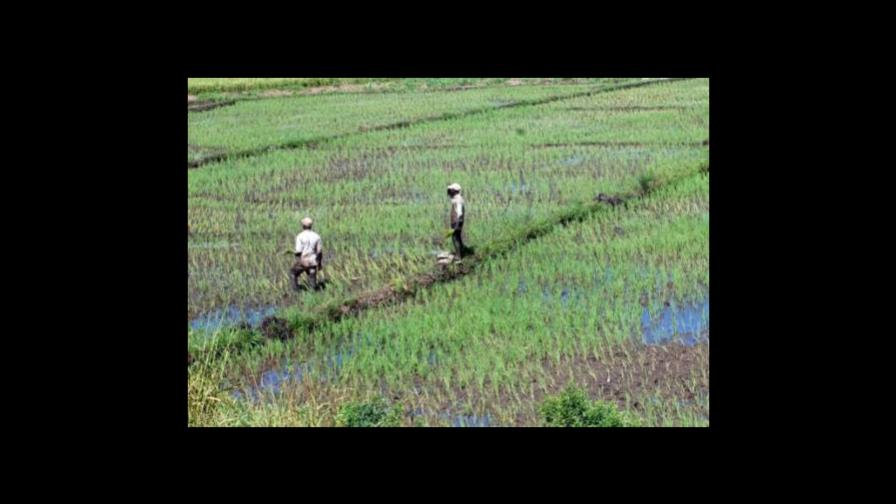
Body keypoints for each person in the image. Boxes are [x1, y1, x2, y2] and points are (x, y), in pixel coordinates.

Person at [291, 217, 322, 290]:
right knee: (312, 276)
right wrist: (319, 263)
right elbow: (319, 252)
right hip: (313, 261)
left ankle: (295, 291)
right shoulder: (317, 236)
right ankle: (313, 291)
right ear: (311, 226)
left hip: (304, 261)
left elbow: (298, 252)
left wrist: (295, 255)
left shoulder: (300, 236)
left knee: (292, 273)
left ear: (303, 226)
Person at [447, 183, 466, 257]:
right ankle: (462, 252)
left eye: (451, 190)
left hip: (457, 221)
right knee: (458, 237)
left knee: (455, 238)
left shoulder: (458, 200)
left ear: (455, 191)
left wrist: (457, 225)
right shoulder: (456, 199)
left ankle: (458, 256)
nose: (449, 191)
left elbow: (460, 213)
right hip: (457, 221)